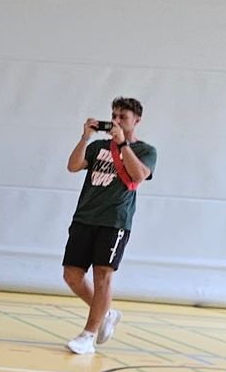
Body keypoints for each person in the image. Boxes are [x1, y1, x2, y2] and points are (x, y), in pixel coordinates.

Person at [62, 97, 157, 356]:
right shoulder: (98, 147)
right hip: (85, 217)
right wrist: (85, 138)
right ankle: (107, 313)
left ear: (136, 121)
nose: (116, 121)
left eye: (122, 117)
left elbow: (138, 175)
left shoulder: (146, 150)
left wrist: (122, 144)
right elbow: (72, 166)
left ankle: (88, 336)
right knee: (71, 275)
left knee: (102, 275)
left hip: (114, 220)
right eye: (113, 116)